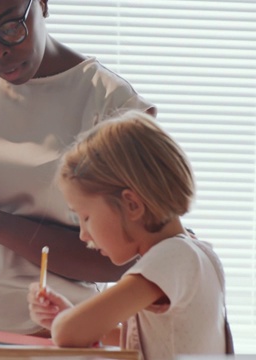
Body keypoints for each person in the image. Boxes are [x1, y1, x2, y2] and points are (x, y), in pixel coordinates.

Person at [0, 0, 156, 334]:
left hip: (51, 331)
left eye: (9, 28)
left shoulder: (110, 105)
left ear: (43, 4)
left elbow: (129, 259)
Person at [27, 110, 229, 358]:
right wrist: (67, 316)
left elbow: (68, 333)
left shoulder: (171, 256)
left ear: (132, 205)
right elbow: (140, 341)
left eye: (86, 217)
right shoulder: (198, 253)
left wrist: (66, 322)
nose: (83, 235)